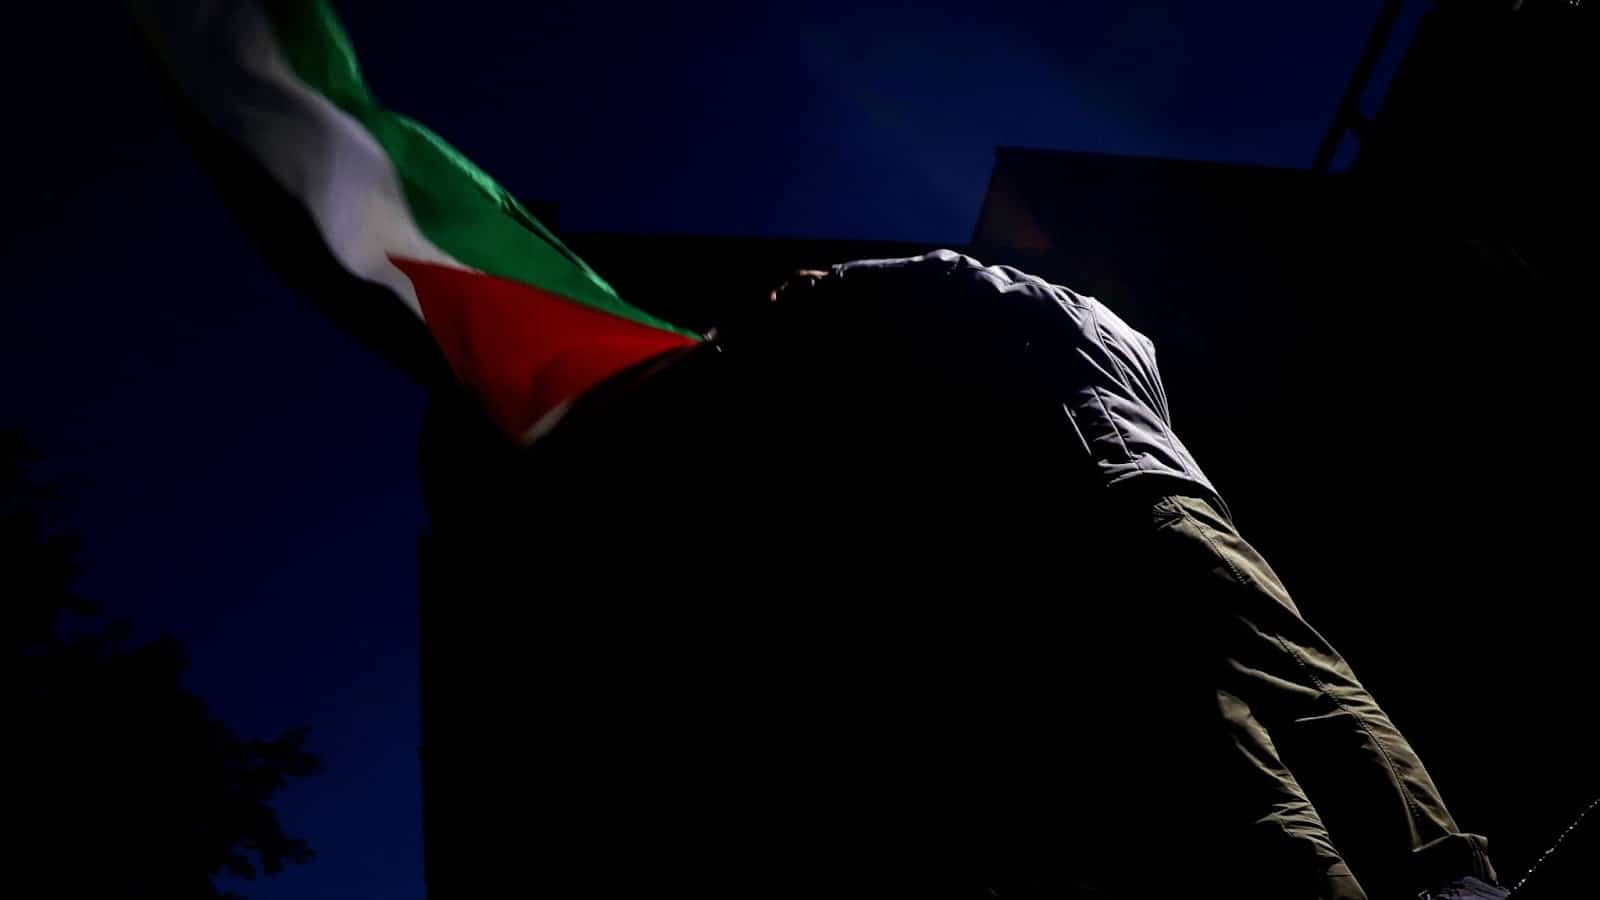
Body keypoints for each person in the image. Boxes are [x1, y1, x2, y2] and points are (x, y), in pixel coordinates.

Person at [474, 248, 1509, 900]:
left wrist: (746, 336)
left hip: (1117, 501)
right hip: (1122, 511)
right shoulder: (1085, 334)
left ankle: (1439, 881)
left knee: (1269, 703)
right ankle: (1394, 882)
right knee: (1230, 739)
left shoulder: (996, 310)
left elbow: (878, 305)